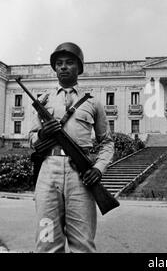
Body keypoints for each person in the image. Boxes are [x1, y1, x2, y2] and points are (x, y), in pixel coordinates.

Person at [29, 42, 114, 253]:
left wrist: (98, 168)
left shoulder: (93, 103)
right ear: (55, 68)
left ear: (79, 67)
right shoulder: (43, 100)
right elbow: (31, 138)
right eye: (59, 63)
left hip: (81, 174)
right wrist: (43, 133)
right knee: (47, 243)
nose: (63, 67)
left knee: (83, 244)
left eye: (69, 63)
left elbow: (107, 142)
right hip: (48, 171)